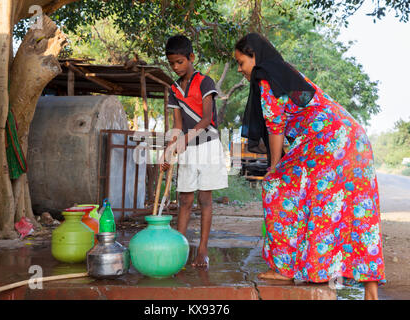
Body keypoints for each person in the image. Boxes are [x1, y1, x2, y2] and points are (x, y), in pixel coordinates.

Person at [234, 33, 385, 299]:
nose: (239, 69)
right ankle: (369, 287)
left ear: (255, 58)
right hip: (354, 138)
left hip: (328, 141)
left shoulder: (267, 79)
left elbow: (276, 128)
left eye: (241, 62)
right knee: (358, 210)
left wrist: (275, 168)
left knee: (278, 189)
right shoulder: (287, 72)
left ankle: (287, 267)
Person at [160, 35, 228, 268]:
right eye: (172, 64)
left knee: (204, 199)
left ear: (191, 57)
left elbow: (207, 118)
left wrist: (186, 138)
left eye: (180, 62)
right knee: (185, 199)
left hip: (208, 145)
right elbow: (178, 126)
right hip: (188, 149)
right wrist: (168, 150)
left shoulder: (205, 82)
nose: (176, 67)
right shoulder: (174, 89)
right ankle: (179, 248)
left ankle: (202, 250)